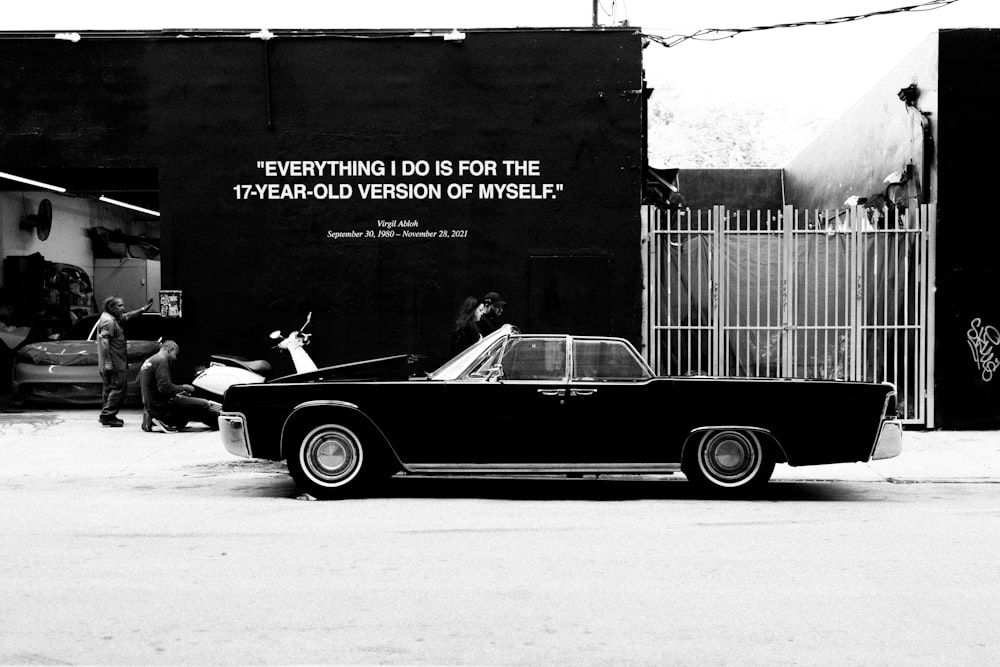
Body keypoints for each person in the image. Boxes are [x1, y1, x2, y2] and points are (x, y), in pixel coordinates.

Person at [139, 340, 221, 433]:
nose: (175, 358)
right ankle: (221, 423)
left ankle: (153, 416)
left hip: (151, 405)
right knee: (204, 404)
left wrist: (178, 393)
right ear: (170, 350)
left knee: (181, 422)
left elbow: (153, 388)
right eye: (175, 354)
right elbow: (165, 388)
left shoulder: (149, 361)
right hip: (161, 405)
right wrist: (185, 387)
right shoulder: (162, 361)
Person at [96, 294, 153, 427]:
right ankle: (107, 415)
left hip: (110, 363)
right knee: (118, 388)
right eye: (120, 305)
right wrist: (109, 362)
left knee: (109, 389)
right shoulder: (109, 321)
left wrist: (142, 309)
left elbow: (127, 317)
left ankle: (107, 414)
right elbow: (105, 342)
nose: (123, 307)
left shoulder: (111, 317)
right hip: (115, 363)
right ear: (111, 307)